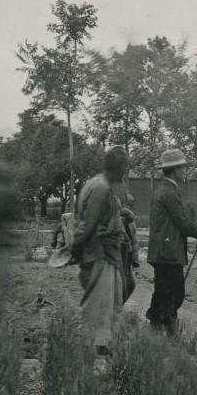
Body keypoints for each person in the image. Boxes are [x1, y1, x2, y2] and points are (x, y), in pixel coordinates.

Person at [72, 146, 130, 356]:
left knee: (110, 301)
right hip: (98, 251)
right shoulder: (101, 188)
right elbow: (89, 224)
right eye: (125, 168)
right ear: (120, 167)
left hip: (105, 252)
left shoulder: (95, 183)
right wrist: (76, 249)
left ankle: (103, 344)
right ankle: (88, 348)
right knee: (97, 302)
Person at [146, 148, 197, 335]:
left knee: (166, 293)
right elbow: (183, 224)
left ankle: (162, 328)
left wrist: (196, 225)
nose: (184, 171)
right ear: (173, 170)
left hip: (164, 251)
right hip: (168, 253)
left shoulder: (164, 190)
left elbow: (176, 221)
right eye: (182, 168)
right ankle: (161, 329)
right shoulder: (169, 192)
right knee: (174, 294)